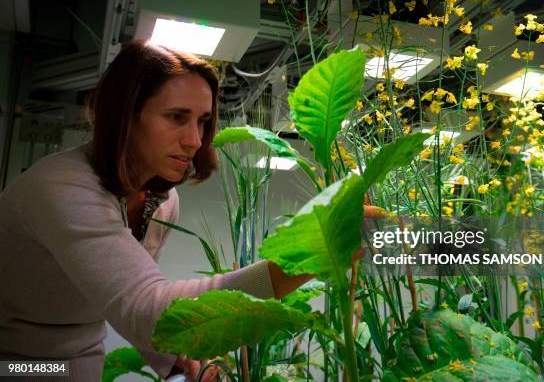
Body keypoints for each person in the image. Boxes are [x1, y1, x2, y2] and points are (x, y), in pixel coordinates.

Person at [0, 40, 313, 381]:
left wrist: (176, 359)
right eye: (177, 117)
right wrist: (309, 253)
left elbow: (132, 301)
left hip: (82, 354)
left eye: (203, 121)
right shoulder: (63, 188)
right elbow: (150, 308)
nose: (195, 139)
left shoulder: (162, 201)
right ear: (126, 116)